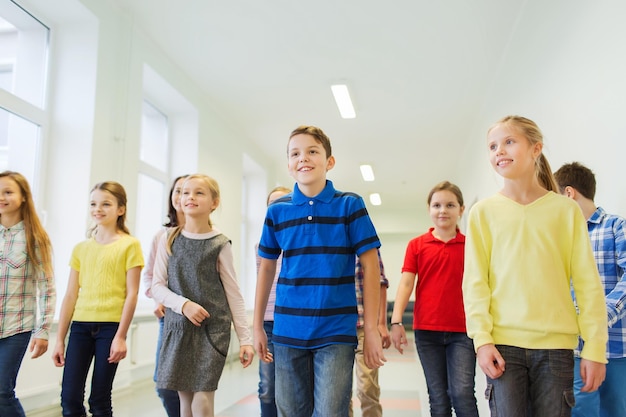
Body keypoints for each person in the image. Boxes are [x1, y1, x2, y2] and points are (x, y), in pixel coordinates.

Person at [462, 115, 608, 417]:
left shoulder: (565, 211)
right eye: (492, 146)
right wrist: (482, 341)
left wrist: (595, 348)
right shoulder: (483, 213)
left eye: (509, 142)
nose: (499, 151)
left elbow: (587, 283)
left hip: (555, 350)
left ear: (535, 149)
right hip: (502, 347)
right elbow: (475, 282)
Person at [254, 125, 386, 417]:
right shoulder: (277, 210)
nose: (304, 158)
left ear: (330, 161)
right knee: (291, 411)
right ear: (289, 165)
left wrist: (375, 329)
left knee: (331, 412)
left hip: (336, 330)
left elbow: (370, 265)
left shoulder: (350, 205)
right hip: (287, 329)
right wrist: (256, 327)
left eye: (313, 151)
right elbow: (266, 268)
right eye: (295, 154)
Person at [151, 174, 254, 417]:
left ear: (214, 202)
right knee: (184, 402)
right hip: (178, 329)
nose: (190, 197)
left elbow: (234, 294)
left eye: (199, 193)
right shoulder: (168, 238)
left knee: (202, 400)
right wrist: (183, 305)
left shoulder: (220, 244)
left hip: (212, 332)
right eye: (186, 192)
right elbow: (157, 286)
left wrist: (245, 339)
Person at [52, 181, 144, 417]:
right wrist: (60, 339)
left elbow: (132, 293)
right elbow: (71, 294)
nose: (98, 209)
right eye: (93, 204)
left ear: (120, 209)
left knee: (99, 400)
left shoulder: (130, 245)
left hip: (110, 329)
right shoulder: (80, 249)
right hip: (80, 328)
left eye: (106, 204)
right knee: (69, 398)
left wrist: (121, 336)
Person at [391, 180, 479, 417]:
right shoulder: (417, 245)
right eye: (437, 205)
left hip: (463, 331)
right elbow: (406, 283)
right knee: (438, 397)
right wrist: (396, 321)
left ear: (461, 210)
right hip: (427, 332)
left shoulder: (472, 246)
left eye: (450, 205)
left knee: (462, 394)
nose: (443, 210)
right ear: (429, 209)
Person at [554, 161, 626, 417]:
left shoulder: (616, 227)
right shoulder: (560, 237)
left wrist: (599, 316)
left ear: (569, 193)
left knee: (614, 411)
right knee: (580, 411)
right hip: (575, 347)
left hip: (617, 347)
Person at [0, 171, 55, 417]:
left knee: (2, 391)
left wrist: (43, 330)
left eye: (8, 192)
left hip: (16, 327)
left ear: (23, 197)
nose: (2, 197)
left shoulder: (35, 237)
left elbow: (47, 287)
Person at [142, 174, 188, 417]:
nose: (183, 197)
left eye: (189, 191)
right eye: (178, 191)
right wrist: (157, 299)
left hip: (195, 320)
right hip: (168, 318)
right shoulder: (161, 237)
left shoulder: (210, 235)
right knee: (164, 383)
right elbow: (149, 276)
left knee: (191, 385)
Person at [256, 185, 291, 417]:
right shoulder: (261, 247)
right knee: (268, 388)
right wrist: (256, 324)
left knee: (292, 389)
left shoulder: (298, 242)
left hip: (292, 322)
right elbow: (261, 283)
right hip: (268, 323)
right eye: (272, 204)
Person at [349, 248, 390, 417]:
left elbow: (380, 283)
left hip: (364, 327)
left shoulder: (366, 244)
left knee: (367, 387)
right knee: (339, 392)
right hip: (337, 327)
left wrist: (381, 323)